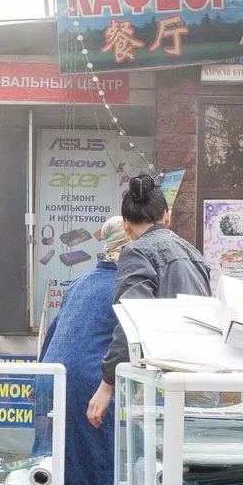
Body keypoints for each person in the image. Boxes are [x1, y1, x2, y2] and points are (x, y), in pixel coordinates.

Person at [86, 173, 211, 429]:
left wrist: (106, 384)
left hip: (164, 381)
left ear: (126, 224)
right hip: (204, 378)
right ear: (167, 215)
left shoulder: (135, 251)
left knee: (153, 464)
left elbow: (131, 321)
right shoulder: (194, 253)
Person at [33, 216, 129, 485]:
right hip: (88, 383)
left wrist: (38, 378)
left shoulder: (80, 282)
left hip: (50, 378)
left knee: (51, 469)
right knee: (102, 472)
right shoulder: (126, 286)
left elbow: (54, 330)